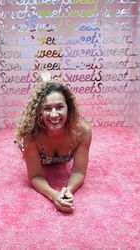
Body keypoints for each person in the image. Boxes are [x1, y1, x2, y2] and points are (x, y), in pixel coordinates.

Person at [14, 80, 92, 213]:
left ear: (69, 108)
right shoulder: (30, 134)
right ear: (39, 112)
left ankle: (48, 81)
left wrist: (68, 190)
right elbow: (35, 176)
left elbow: (79, 171)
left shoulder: (82, 131)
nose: (54, 114)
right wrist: (54, 195)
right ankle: (46, 81)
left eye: (60, 107)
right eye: (47, 108)